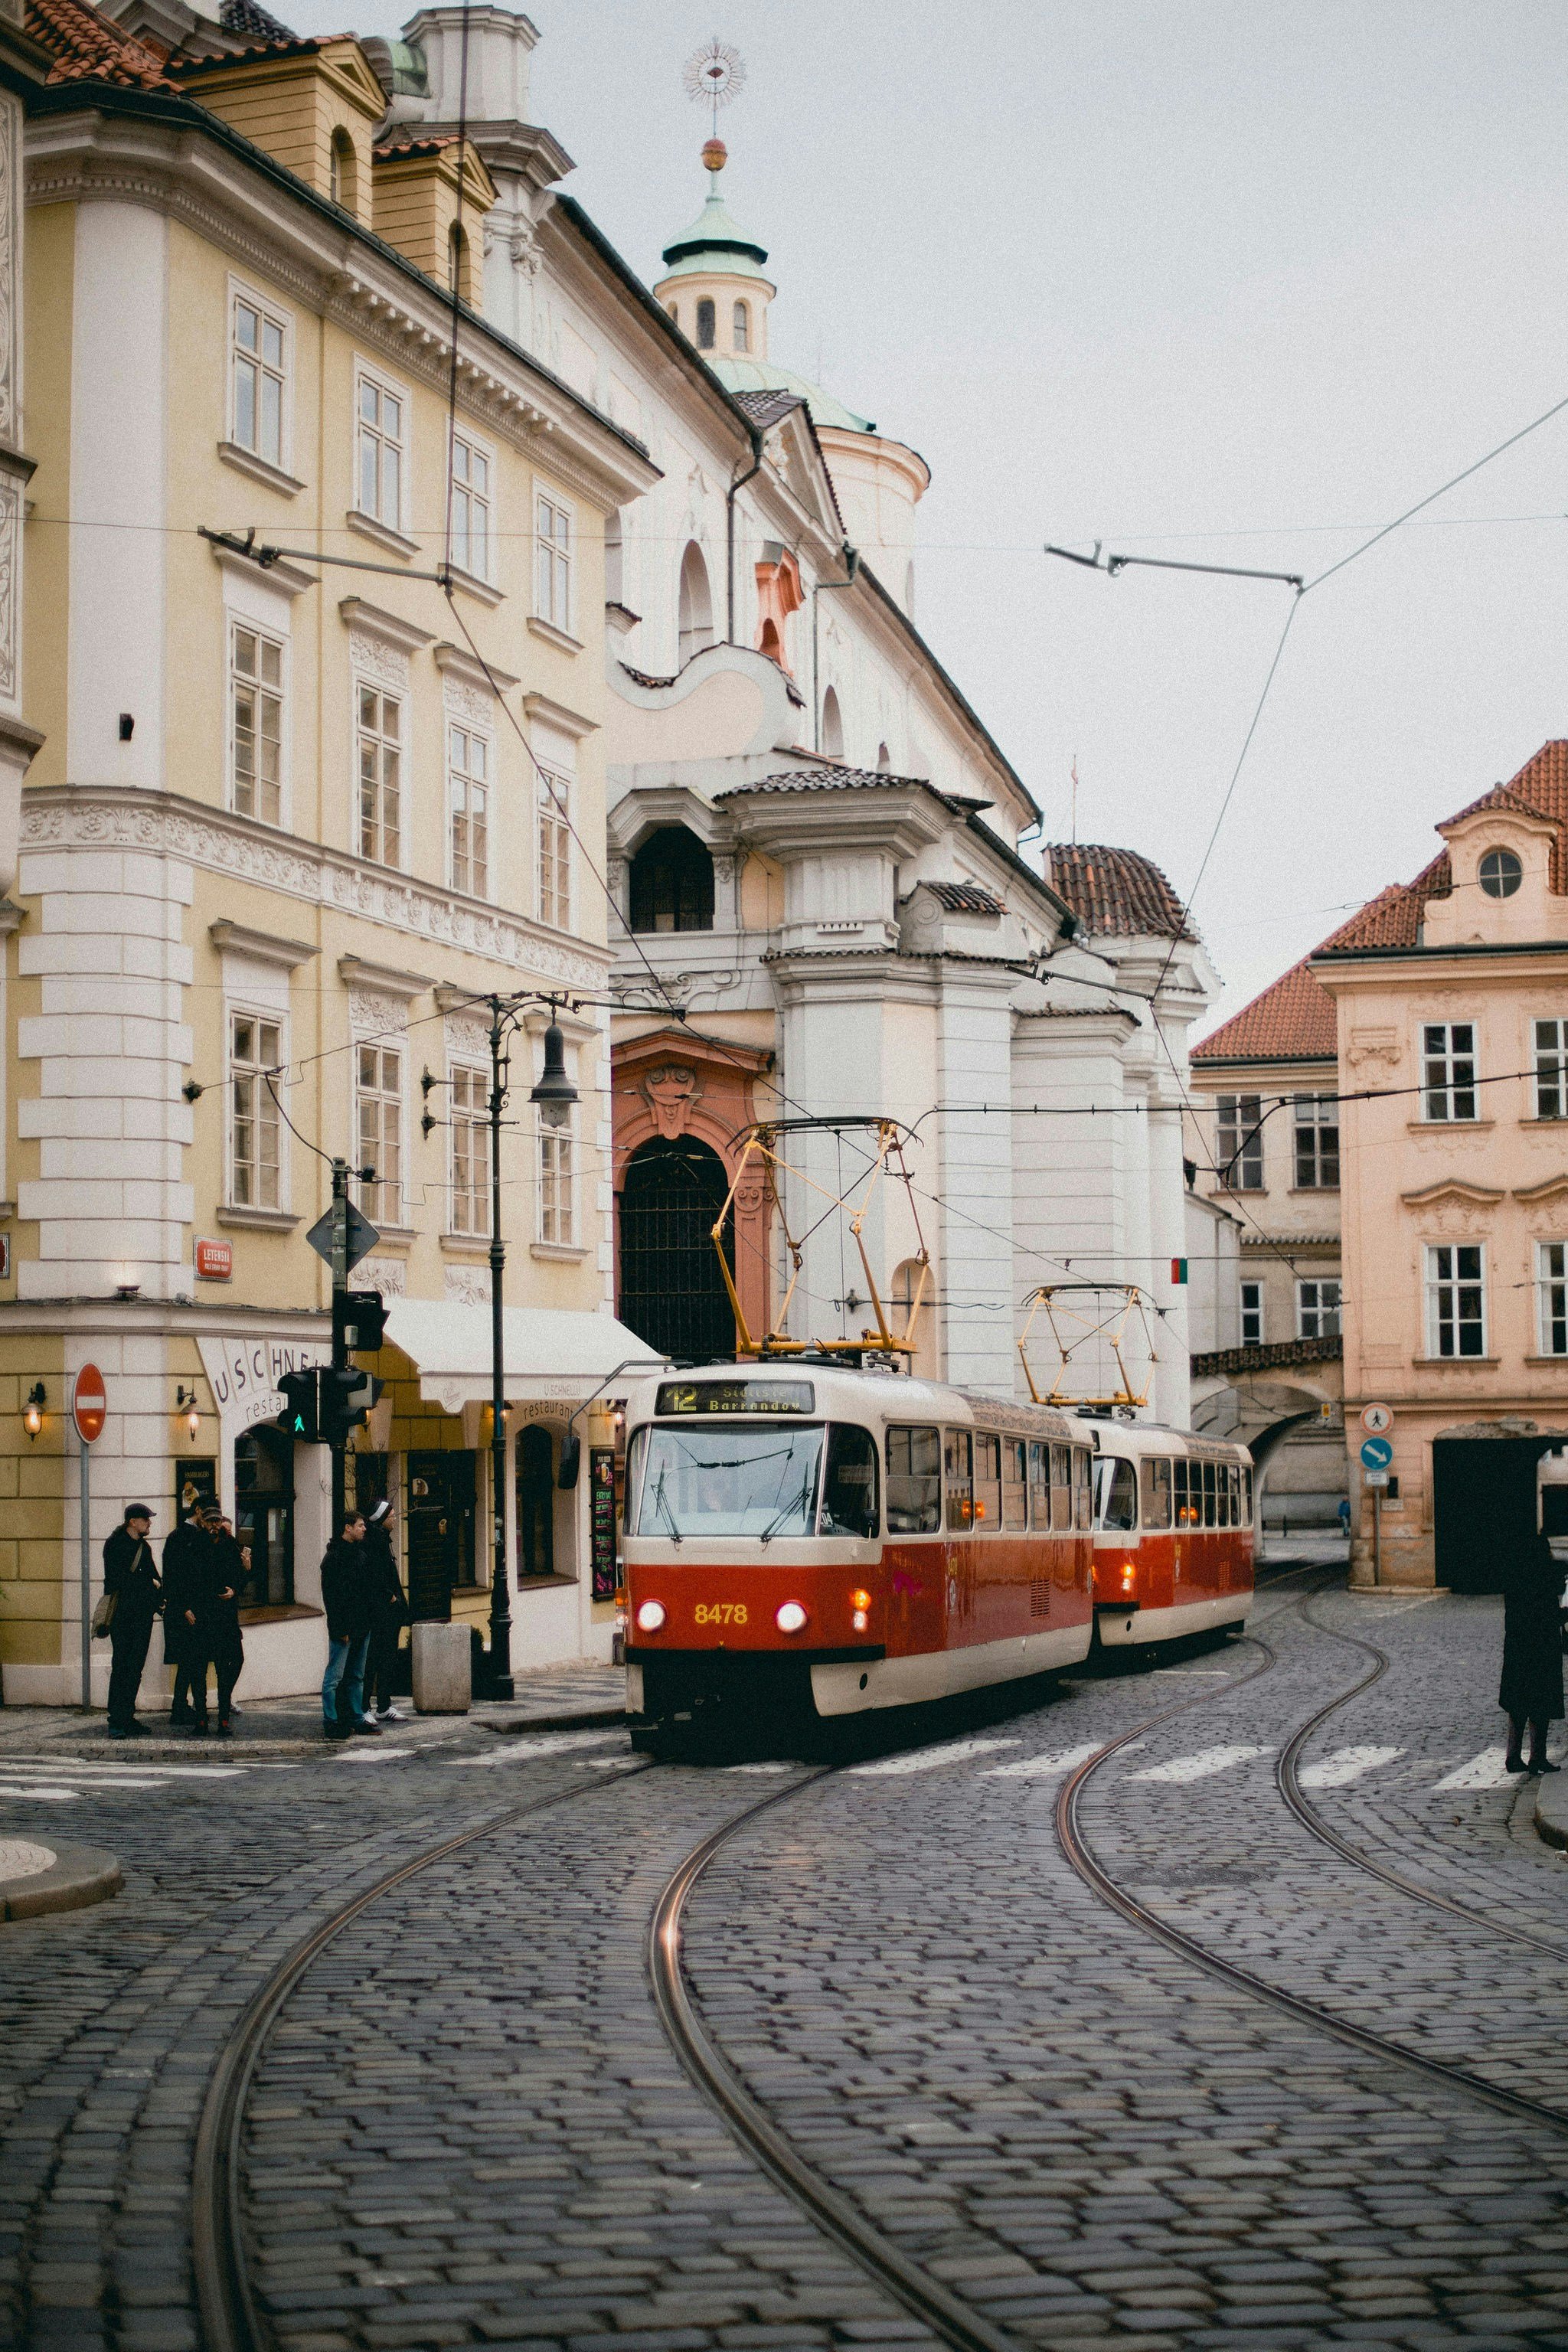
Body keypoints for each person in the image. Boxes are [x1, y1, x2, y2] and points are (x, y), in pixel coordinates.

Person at [1501, 1530, 1564, 1775]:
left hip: (1517, 1649)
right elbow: (1549, 1616)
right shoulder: (1544, 1577)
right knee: (1541, 1706)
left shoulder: (1515, 1577)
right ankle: (1538, 1756)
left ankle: (1513, 1756)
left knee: (1518, 1706)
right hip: (1541, 1650)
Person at [102, 1504, 162, 1738]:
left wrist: (158, 1593)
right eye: (146, 1519)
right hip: (123, 1616)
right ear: (132, 1522)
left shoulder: (143, 1547)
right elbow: (118, 1580)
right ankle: (116, 1720)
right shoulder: (115, 1545)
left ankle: (127, 1716)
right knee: (122, 1666)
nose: (149, 1523)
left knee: (135, 1667)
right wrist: (149, 1585)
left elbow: (154, 1577)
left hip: (142, 1616)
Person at [320, 1510, 379, 1740]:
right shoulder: (334, 1558)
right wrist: (339, 1628)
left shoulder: (360, 1554)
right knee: (334, 1676)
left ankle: (356, 1716)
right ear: (348, 1528)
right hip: (344, 1627)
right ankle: (331, 1720)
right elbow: (332, 1598)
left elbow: (366, 1591)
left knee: (356, 1675)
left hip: (362, 1625)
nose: (364, 1529)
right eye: (361, 1525)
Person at [162, 1504, 215, 1728]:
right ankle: (183, 1708)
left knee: (187, 1662)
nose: (213, 1524)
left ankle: (180, 1707)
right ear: (198, 1511)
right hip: (186, 1610)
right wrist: (183, 1607)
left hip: (190, 1609)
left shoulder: (191, 1535)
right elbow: (174, 1575)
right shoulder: (183, 1537)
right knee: (192, 1661)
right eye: (209, 1518)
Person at [361, 1497, 408, 1724]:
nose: (395, 1520)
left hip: (388, 1610)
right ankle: (366, 1706)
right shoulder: (374, 1541)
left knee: (387, 1657)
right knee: (373, 1659)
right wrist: (389, 1596)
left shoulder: (382, 1539)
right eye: (391, 1516)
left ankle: (384, 1705)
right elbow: (374, 1576)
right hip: (379, 1610)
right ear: (381, 1519)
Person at [205, 1509, 247, 1736]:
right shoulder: (203, 1545)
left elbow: (240, 1577)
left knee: (237, 1660)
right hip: (210, 1615)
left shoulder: (231, 1545)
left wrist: (235, 1588)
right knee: (218, 1667)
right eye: (212, 1522)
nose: (217, 1526)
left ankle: (224, 1705)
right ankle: (219, 1719)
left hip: (229, 1616)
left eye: (219, 1522)